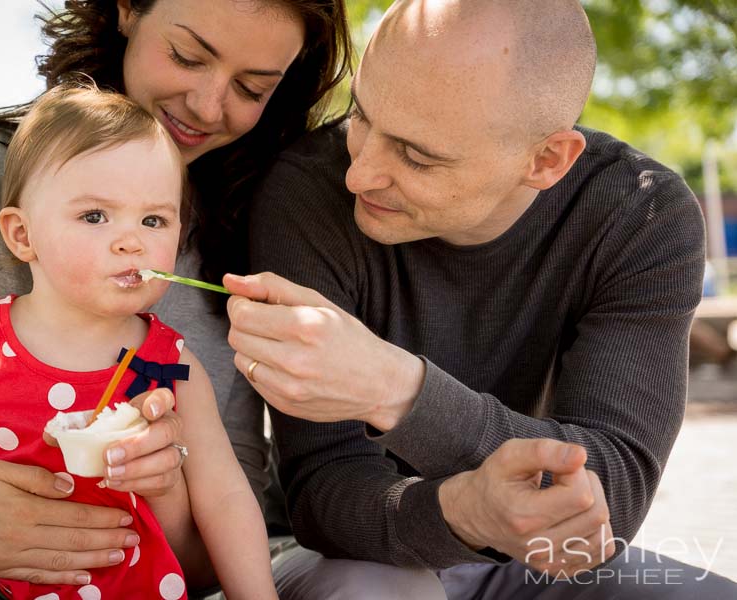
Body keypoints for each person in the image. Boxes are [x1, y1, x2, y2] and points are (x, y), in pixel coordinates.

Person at [0, 1, 350, 598]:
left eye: (251, 86)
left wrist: (166, 489)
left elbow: (216, 538)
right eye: (188, 56)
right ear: (127, 8)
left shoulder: (206, 292)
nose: (209, 107)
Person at [225, 0, 737, 596]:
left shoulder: (640, 214)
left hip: (531, 553)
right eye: (361, 117)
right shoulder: (307, 192)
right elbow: (323, 496)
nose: (359, 174)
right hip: (353, 556)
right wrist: (463, 512)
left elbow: (610, 498)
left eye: (417, 156)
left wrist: (398, 390)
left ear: (546, 161)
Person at [0, 85, 276, 600]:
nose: (132, 240)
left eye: (154, 220)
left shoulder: (171, 367)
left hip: (128, 586)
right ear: (22, 235)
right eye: (95, 216)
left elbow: (226, 498)